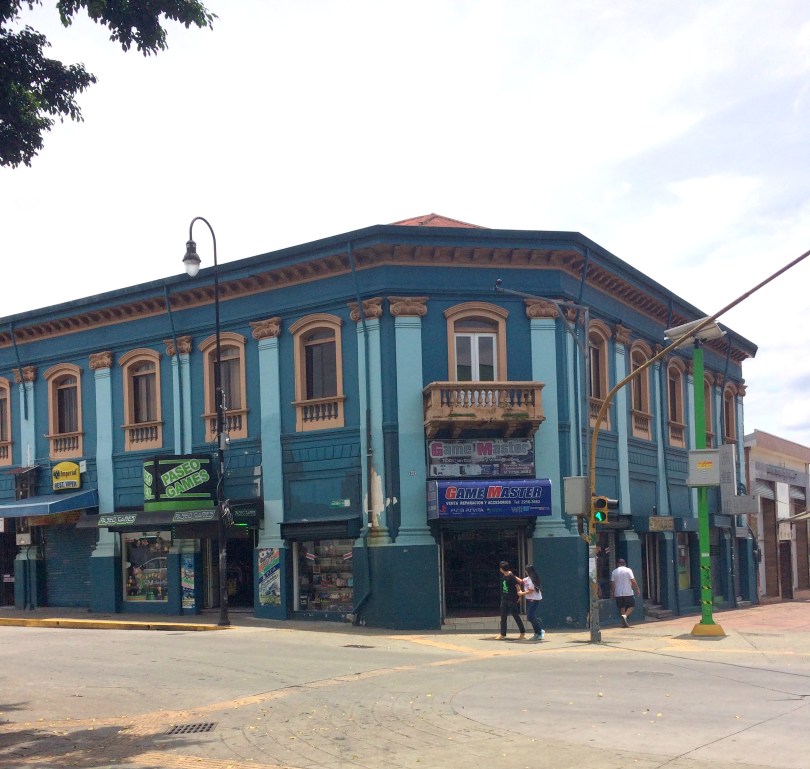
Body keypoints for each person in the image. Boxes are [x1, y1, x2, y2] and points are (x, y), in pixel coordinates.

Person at [496, 561, 525, 640]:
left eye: (500, 568)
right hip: (504, 599)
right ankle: (503, 634)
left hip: (512, 599)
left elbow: (517, 586)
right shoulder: (504, 576)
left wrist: (519, 597)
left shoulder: (511, 576)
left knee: (516, 616)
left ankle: (522, 632)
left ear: (502, 569)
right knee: (503, 617)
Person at [610, 558, 640, 627]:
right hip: (628, 592)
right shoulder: (628, 570)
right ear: (625, 564)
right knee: (632, 606)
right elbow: (633, 580)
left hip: (618, 593)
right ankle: (625, 615)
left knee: (622, 607)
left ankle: (624, 623)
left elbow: (613, 584)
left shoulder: (614, 572)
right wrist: (637, 588)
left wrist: (612, 592)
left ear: (618, 564)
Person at [518, 564, 545, 641]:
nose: (525, 572)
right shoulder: (527, 579)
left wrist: (521, 593)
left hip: (534, 600)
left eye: (526, 570)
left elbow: (530, 590)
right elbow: (521, 581)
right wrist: (511, 575)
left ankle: (538, 632)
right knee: (530, 616)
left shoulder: (532, 580)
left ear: (528, 571)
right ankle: (539, 631)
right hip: (530, 600)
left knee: (530, 616)